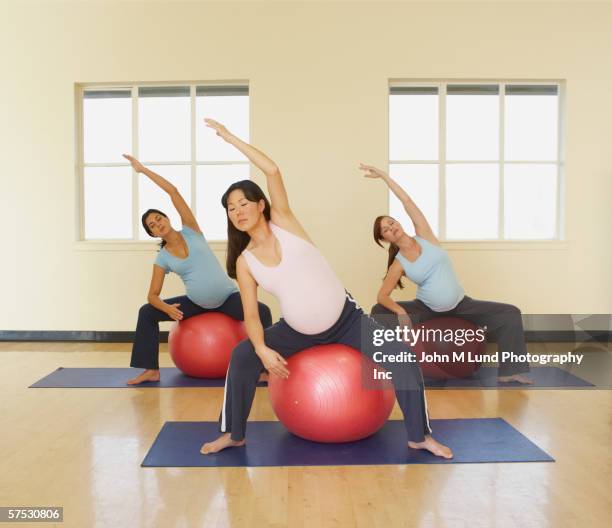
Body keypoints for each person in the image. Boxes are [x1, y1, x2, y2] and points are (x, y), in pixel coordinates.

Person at [199, 119, 453, 459]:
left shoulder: (285, 222)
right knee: (242, 354)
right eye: (231, 208)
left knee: (403, 358)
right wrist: (261, 349)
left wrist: (230, 139)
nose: (237, 211)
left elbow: (272, 170)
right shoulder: (246, 262)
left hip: (348, 322)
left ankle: (419, 436)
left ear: (261, 205)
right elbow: (250, 314)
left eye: (243, 203)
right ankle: (233, 433)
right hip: (296, 332)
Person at [361, 163, 532, 384]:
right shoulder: (398, 264)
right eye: (385, 229)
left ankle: (511, 371)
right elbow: (382, 296)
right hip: (428, 309)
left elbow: (407, 202)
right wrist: (401, 313)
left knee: (510, 313)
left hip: (461, 305)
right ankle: (391, 367)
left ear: (398, 223)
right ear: (385, 239)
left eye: (391, 222)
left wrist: (384, 176)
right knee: (378, 311)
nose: (391, 227)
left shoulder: (425, 236)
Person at [122, 154, 272, 385]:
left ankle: (264, 369)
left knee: (263, 312)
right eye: (152, 225)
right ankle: (151, 370)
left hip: (227, 298)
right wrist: (166, 308)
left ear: (167, 218)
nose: (157, 224)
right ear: (152, 234)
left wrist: (142, 170)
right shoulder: (162, 258)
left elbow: (173, 191)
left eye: (158, 218)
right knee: (147, 312)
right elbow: (152, 296)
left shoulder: (191, 230)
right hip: (195, 304)